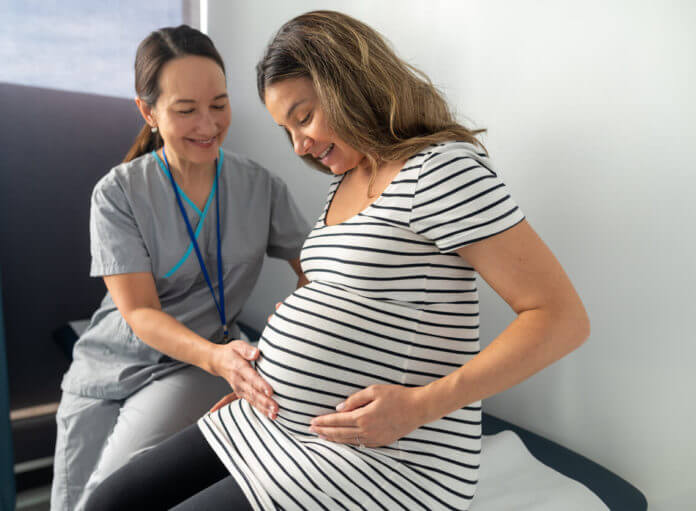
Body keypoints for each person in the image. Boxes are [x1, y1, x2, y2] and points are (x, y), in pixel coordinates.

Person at [84, 11, 590, 511]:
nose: (299, 144)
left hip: (390, 455)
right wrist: (278, 371)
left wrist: (420, 406)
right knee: (111, 499)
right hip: (278, 420)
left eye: (303, 117)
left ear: (349, 83)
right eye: (287, 129)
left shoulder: (442, 170)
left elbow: (561, 318)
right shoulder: (341, 186)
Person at [50, 25, 310, 510]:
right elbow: (140, 312)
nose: (209, 125)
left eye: (219, 104)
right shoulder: (118, 193)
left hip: (193, 364)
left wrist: (290, 321)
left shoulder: (260, 187)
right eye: (186, 110)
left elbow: (316, 265)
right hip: (103, 367)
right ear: (148, 112)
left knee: (103, 502)